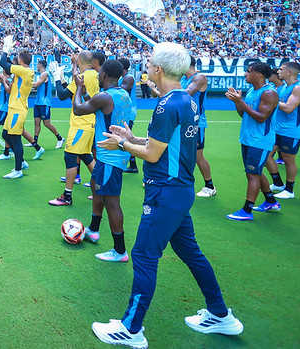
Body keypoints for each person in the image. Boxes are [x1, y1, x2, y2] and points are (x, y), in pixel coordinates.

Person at [92, 42, 243, 348]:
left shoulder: (166, 105)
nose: (146, 68)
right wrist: (132, 137)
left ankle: (131, 330)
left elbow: (151, 154)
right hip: (181, 190)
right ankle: (219, 314)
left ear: (158, 70)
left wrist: (122, 145)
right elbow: (163, 143)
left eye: (149, 64)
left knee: (145, 255)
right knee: (191, 254)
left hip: (165, 193)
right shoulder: (185, 101)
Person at [71, 59, 132, 262]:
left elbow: (78, 109)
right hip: (112, 153)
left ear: (104, 75)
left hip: (110, 156)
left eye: (99, 73)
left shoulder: (105, 96)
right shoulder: (122, 92)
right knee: (96, 188)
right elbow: (96, 105)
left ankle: (120, 251)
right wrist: (87, 93)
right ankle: (94, 230)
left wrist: (78, 88)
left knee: (111, 201)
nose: (97, 75)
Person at [225, 62, 280, 221]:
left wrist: (240, 101)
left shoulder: (269, 93)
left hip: (260, 141)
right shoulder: (251, 91)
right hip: (249, 139)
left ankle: (247, 210)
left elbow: (261, 118)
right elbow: (244, 114)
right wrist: (237, 101)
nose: (245, 74)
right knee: (255, 172)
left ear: (259, 74)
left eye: (248, 71)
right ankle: (271, 201)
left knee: (252, 174)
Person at [49, 53, 97, 206]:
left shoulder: (83, 77)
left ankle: (67, 196)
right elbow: (73, 93)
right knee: (86, 157)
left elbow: (63, 95)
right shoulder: (93, 75)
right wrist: (68, 73)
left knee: (70, 157)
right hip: (90, 122)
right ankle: (100, 191)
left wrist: (57, 76)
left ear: (80, 61)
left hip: (80, 124)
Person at [0, 36, 44, 179]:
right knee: (6, 135)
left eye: (18, 57)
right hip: (15, 108)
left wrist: (6, 49)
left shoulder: (24, 71)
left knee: (15, 138)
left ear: (21, 60)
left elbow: (3, 64)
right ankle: (21, 160)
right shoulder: (24, 71)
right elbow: (6, 64)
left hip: (17, 109)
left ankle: (18, 169)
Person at [266, 61, 300, 201]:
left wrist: (270, 101)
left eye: (281, 69)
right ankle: (278, 183)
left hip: (292, 130)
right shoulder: (284, 87)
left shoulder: (299, 88)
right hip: (278, 129)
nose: (278, 71)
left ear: (289, 72)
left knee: (288, 159)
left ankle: (290, 190)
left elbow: (289, 107)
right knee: (266, 155)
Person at [180, 56, 216, 197]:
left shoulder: (199, 77)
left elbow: (186, 94)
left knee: (197, 156)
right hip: (184, 121)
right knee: (184, 154)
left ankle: (210, 186)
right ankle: (183, 182)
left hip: (196, 122)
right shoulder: (183, 79)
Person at [31, 60, 64, 149]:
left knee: (47, 123)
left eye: (37, 65)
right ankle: (34, 141)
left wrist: (25, 82)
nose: (36, 67)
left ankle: (60, 138)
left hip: (44, 103)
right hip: (38, 102)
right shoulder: (42, 75)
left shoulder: (45, 74)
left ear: (40, 65)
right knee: (36, 122)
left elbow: (36, 85)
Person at [118, 58, 139, 174]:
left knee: (127, 138)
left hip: (129, 112)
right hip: (125, 112)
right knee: (127, 138)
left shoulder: (128, 78)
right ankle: (133, 165)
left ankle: (126, 163)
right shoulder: (124, 78)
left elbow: (122, 90)